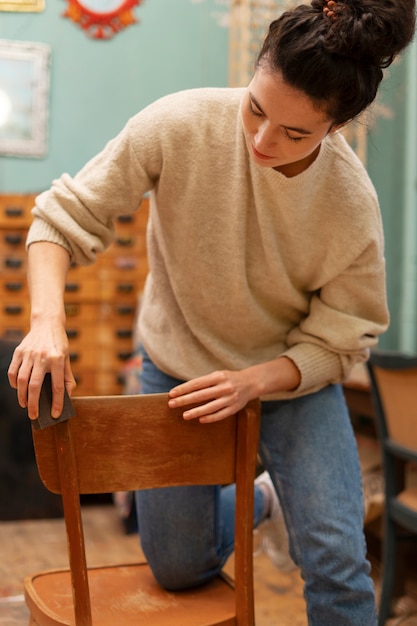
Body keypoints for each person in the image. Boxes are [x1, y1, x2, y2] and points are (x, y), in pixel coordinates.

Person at [8, 0, 415, 623]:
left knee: (335, 557)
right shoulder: (178, 123)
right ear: (254, 72)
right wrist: (45, 324)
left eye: (295, 133)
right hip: (180, 372)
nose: (261, 140)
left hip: (290, 383)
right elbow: (58, 221)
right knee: (177, 567)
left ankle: (299, 513)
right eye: (255, 109)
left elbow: (342, 340)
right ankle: (263, 503)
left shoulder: (350, 202)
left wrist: (256, 379)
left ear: (337, 127)